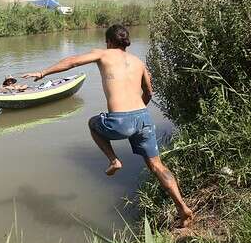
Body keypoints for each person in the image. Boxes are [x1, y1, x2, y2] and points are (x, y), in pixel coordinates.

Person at [22, 24, 193, 227]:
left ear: (109, 41)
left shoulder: (103, 54)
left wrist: (43, 73)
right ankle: (183, 209)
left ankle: (114, 161)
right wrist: (137, 113)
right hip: (144, 117)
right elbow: (149, 93)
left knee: (93, 123)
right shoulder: (139, 62)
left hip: (120, 119)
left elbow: (72, 62)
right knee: (157, 166)